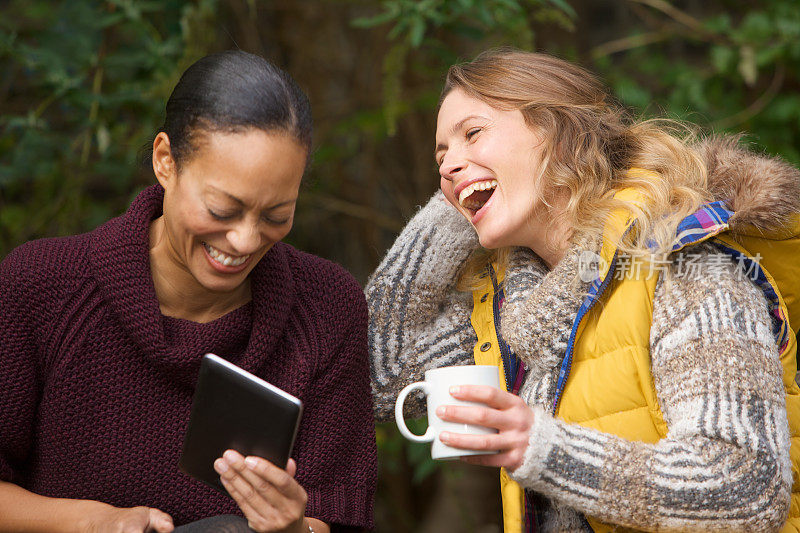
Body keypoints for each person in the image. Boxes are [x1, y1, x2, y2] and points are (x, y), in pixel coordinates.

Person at [367, 48, 800, 532]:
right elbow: (380, 377)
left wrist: (538, 447)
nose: (446, 166)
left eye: (473, 133)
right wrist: (463, 192)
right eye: (440, 156)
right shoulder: (515, 310)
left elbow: (744, 489)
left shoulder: (687, 266)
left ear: (557, 132)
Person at [0, 50, 376, 533]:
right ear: (165, 161)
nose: (245, 239)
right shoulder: (41, 287)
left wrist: (293, 526)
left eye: (276, 215)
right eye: (223, 209)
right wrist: (89, 521)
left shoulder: (326, 308)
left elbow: (338, 516)